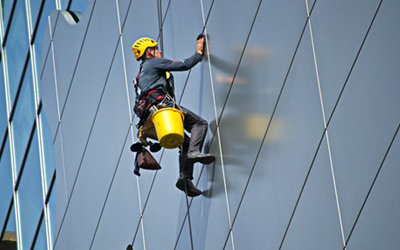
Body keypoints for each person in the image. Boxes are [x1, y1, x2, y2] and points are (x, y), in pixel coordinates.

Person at [132, 36, 215, 197]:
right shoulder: (153, 63)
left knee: (185, 143)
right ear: (149, 52)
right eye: (156, 49)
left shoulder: (140, 74)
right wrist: (199, 53)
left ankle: (184, 179)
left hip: (150, 122)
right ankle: (194, 153)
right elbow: (184, 64)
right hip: (162, 109)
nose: (160, 51)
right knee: (200, 124)